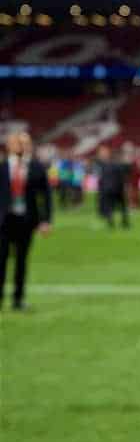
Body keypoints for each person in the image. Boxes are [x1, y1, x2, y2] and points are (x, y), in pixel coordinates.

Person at [1, 131, 52, 311]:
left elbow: (45, 196)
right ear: (10, 145)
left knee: (21, 261)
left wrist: (46, 220)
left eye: (25, 143)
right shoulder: (3, 166)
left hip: (26, 221)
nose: (22, 146)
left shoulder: (36, 168)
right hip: (4, 222)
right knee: (1, 260)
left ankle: (18, 299)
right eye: (18, 143)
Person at [95, 144, 130, 229]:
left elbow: (101, 180)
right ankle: (125, 222)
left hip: (108, 189)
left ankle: (111, 222)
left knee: (109, 206)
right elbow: (123, 178)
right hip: (118, 189)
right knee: (122, 206)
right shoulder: (119, 166)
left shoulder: (105, 166)